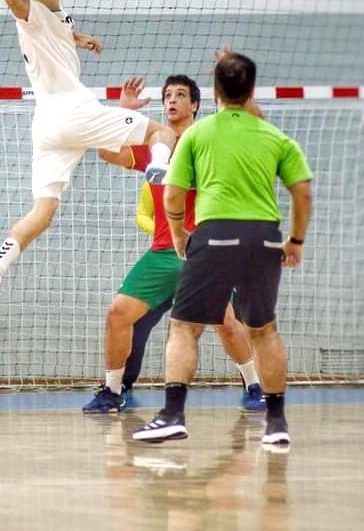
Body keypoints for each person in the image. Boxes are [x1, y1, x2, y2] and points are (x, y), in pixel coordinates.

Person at [0, 0, 176, 317]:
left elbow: (60, 28)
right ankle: (158, 172)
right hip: (73, 111)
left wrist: (81, 39)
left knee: (42, 212)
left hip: (49, 126)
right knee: (161, 132)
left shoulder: (57, 17)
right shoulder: (30, 13)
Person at [133, 52, 312, 446]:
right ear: (251, 92)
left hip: (214, 236)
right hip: (264, 236)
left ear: (212, 93)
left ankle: (173, 414)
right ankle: (277, 424)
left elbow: (174, 194)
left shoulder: (198, 133)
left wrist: (179, 235)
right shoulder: (273, 135)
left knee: (182, 327)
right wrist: (295, 239)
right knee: (263, 331)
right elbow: (302, 190)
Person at [82, 76, 265, 413]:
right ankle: (112, 391)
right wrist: (121, 114)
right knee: (118, 313)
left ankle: (255, 386)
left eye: (181, 95)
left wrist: (231, 79)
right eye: (167, 95)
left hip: (202, 249)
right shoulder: (156, 146)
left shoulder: (210, 141)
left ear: (195, 104)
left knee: (224, 321)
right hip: (162, 251)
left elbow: (256, 124)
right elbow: (108, 152)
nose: (172, 100)